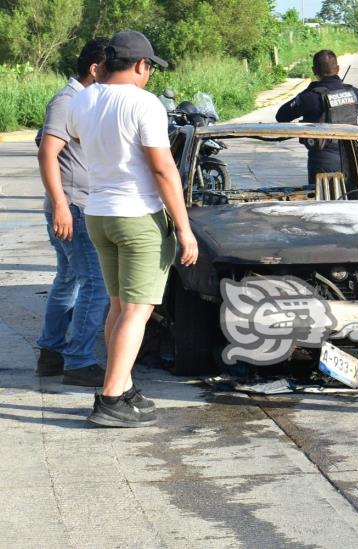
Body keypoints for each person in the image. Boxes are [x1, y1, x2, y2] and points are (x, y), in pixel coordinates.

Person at [67, 30, 198, 427]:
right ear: (141, 65)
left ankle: (121, 385)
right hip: (138, 216)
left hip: (99, 214)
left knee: (120, 305)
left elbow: (75, 136)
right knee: (138, 310)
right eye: (149, 68)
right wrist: (185, 228)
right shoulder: (145, 104)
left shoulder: (82, 99)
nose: (149, 75)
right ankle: (109, 401)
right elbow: (162, 168)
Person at [36, 38, 110, 387]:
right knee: (96, 284)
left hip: (75, 206)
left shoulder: (84, 102)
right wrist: (61, 207)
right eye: (112, 68)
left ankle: (50, 353)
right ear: (95, 69)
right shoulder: (66, 102)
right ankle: (79, 361)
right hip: (73, 208)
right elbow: (47, 153)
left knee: (67, 280)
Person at [275, 49, 358, 185]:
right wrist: (355, 139)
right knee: (351, 202)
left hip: (323, 163)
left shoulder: (311, 97)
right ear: (337, 69)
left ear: (314, 70)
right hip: (351, 160)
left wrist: (308, 90)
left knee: (324, 204)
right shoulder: (354, 93)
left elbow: (281, 116)